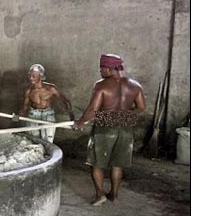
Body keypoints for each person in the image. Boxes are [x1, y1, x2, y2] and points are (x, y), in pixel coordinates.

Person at [73, 54, 146, 206]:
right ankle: (114, 195)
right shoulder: (135, 85)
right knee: (117, 164)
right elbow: (141, 107)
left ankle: (100, 195)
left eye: (102, 68)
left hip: (104, 129)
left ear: (110, 68)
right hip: (125, 129)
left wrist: (80, 122)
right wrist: (123, 115)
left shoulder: (101, 85)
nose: (100, 71)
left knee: (96, 163)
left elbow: (93, 109)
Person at [19, 64, 75, 143]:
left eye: (34, 76)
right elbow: (25, 107)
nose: (31, 78)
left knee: (47, 142)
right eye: (30, 75)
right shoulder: (29, 91)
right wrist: (17, 117)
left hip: (48, 115)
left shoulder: (51, 89)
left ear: (41, 76)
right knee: (33, 141)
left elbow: (65, 101)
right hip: (33, 115)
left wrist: (72, 117)